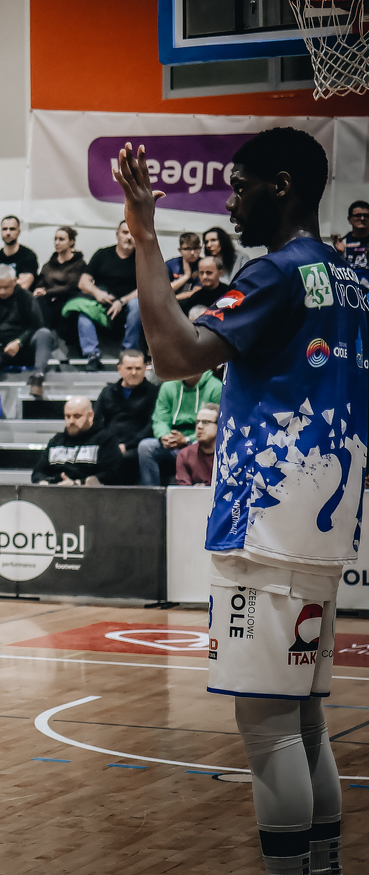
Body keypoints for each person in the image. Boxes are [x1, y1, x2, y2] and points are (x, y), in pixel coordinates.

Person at [118, 127, 361, 875]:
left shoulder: (276, 273)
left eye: (239, 186)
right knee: (305, 724)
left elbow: (174, 357)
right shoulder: (352, 277)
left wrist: (146, 236)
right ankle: (323, 866)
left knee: (269, 731)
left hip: (266, 522)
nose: (228, 202)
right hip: (322, 527)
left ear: (281, 186)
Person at [0, 264, 61, 398]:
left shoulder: (26, 298)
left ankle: (37, 378)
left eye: (6, 287)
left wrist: (19, 342)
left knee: (44, 334)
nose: (2, 291)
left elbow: (37, 325)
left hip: (24, 347)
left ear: (14, 282)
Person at [74, 220, 142, 367]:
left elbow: (145, 288)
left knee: (137, 305)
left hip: (128, 304)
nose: (129, 237)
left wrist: (122, 301)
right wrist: (98, 293)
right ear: (117, 235)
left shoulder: (143, 258)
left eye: (133, 234)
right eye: (125, 232)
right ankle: (92, 355)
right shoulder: (102, 254)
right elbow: (83, 282)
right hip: (103, 302)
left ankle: (128, 353)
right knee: (84, 311)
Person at [138, 368, 221, 486]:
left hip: (198, 442)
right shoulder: (168, 387)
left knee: (206, 443)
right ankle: (151, 494)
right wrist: (165, 436)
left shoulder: (216, 387)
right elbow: (160, 418)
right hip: (171, 442)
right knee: (146, 447)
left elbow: (216, 424)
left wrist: (187, 439)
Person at [92, 349, 159, 486]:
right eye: (129, 368)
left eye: (138, 368)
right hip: (109, 444)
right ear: (119, 369)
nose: (134, 372)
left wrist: (126, 445)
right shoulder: (107, 392)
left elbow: (151, 425)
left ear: (145, 369)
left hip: (136, 447)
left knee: (125, 459)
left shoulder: (153, 392)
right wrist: (109, 444)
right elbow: (97, 422)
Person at [30, 397, 119, 486]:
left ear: (90, 416)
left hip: (88, 492)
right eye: (68, 416)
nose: (71, 421)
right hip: (56, 490)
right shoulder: (56, 441)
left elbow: (111, 474)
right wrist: (43, 482)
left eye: (77, 416)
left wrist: (77, 484)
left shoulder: (105, 440)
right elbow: (38, 472)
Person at [31, 225, 86, 331]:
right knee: (37, 301)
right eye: (55, 239)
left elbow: (71, 287)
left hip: (68, 300)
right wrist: (40, 291)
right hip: (48, 300)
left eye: (61, 239)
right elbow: (40, 283)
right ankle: (42, 333)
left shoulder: (79, 264)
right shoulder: (49, 264)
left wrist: (47, 292)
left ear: (71, 242)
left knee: (60, 306)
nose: (57, 242)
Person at [0, 215, 39, 294]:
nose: (8, 232)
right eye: (4, 229)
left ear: (19, 232)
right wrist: (12, 285)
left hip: (21, 300)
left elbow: (24, 285)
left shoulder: (28, 256)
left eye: (12, 229)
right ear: (1, 232)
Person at [173, 402, 218, 487]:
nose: (199, 426)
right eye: (197, 422)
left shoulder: (229, 456)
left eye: (205, 422)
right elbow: (183, 490)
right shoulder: (185, 455)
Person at [340, 199, 369, 279]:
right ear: (349, 219)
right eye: (358, 215)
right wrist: (339, 254)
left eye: (366, 215)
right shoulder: (342, 243)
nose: (362, 218)